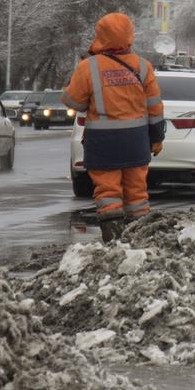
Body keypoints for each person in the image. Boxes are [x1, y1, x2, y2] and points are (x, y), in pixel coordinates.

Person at [62, 13, 165, 243]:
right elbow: (155, 108)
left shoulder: (88, 67)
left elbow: (72, 102)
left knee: (108, 193)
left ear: (100, 36)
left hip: (103, 142)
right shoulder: (143, 67)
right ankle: (138, 240)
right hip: (136, 142)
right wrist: (157, 138)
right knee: (137, 194)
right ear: (129, 36)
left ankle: (113, 241)